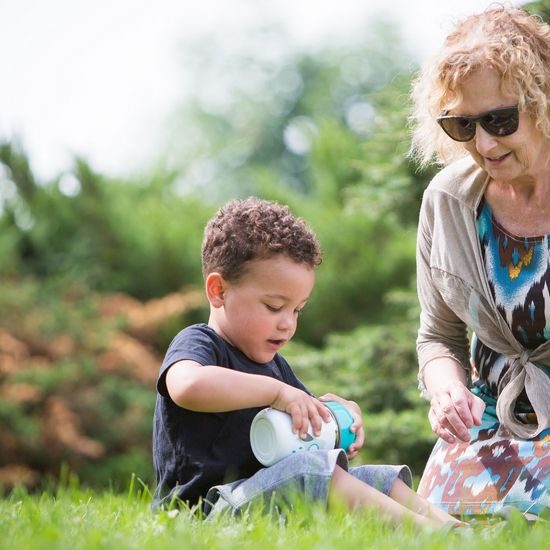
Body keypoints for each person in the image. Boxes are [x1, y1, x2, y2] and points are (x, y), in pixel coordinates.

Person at [152, 196, 465, 530]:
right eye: (274, 307)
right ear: (218, 291)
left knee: (373, 477)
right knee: (312, 474)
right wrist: (276, 393)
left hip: (267, 496)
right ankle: (432, 535)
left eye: (297, 310)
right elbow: (187, 386)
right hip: (204, 511)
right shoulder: (200, 343)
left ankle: (459, 530)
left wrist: (336, 419)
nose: (288, 323)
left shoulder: (277, 368)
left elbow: (306, 430)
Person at [409, 5, 550, 519]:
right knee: (436, 523)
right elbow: (437, 338)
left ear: (542, 99)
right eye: (462, 126)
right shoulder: (446, 201)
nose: (484, 144)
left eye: (500, 120)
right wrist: (448, 392)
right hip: (490, 426)